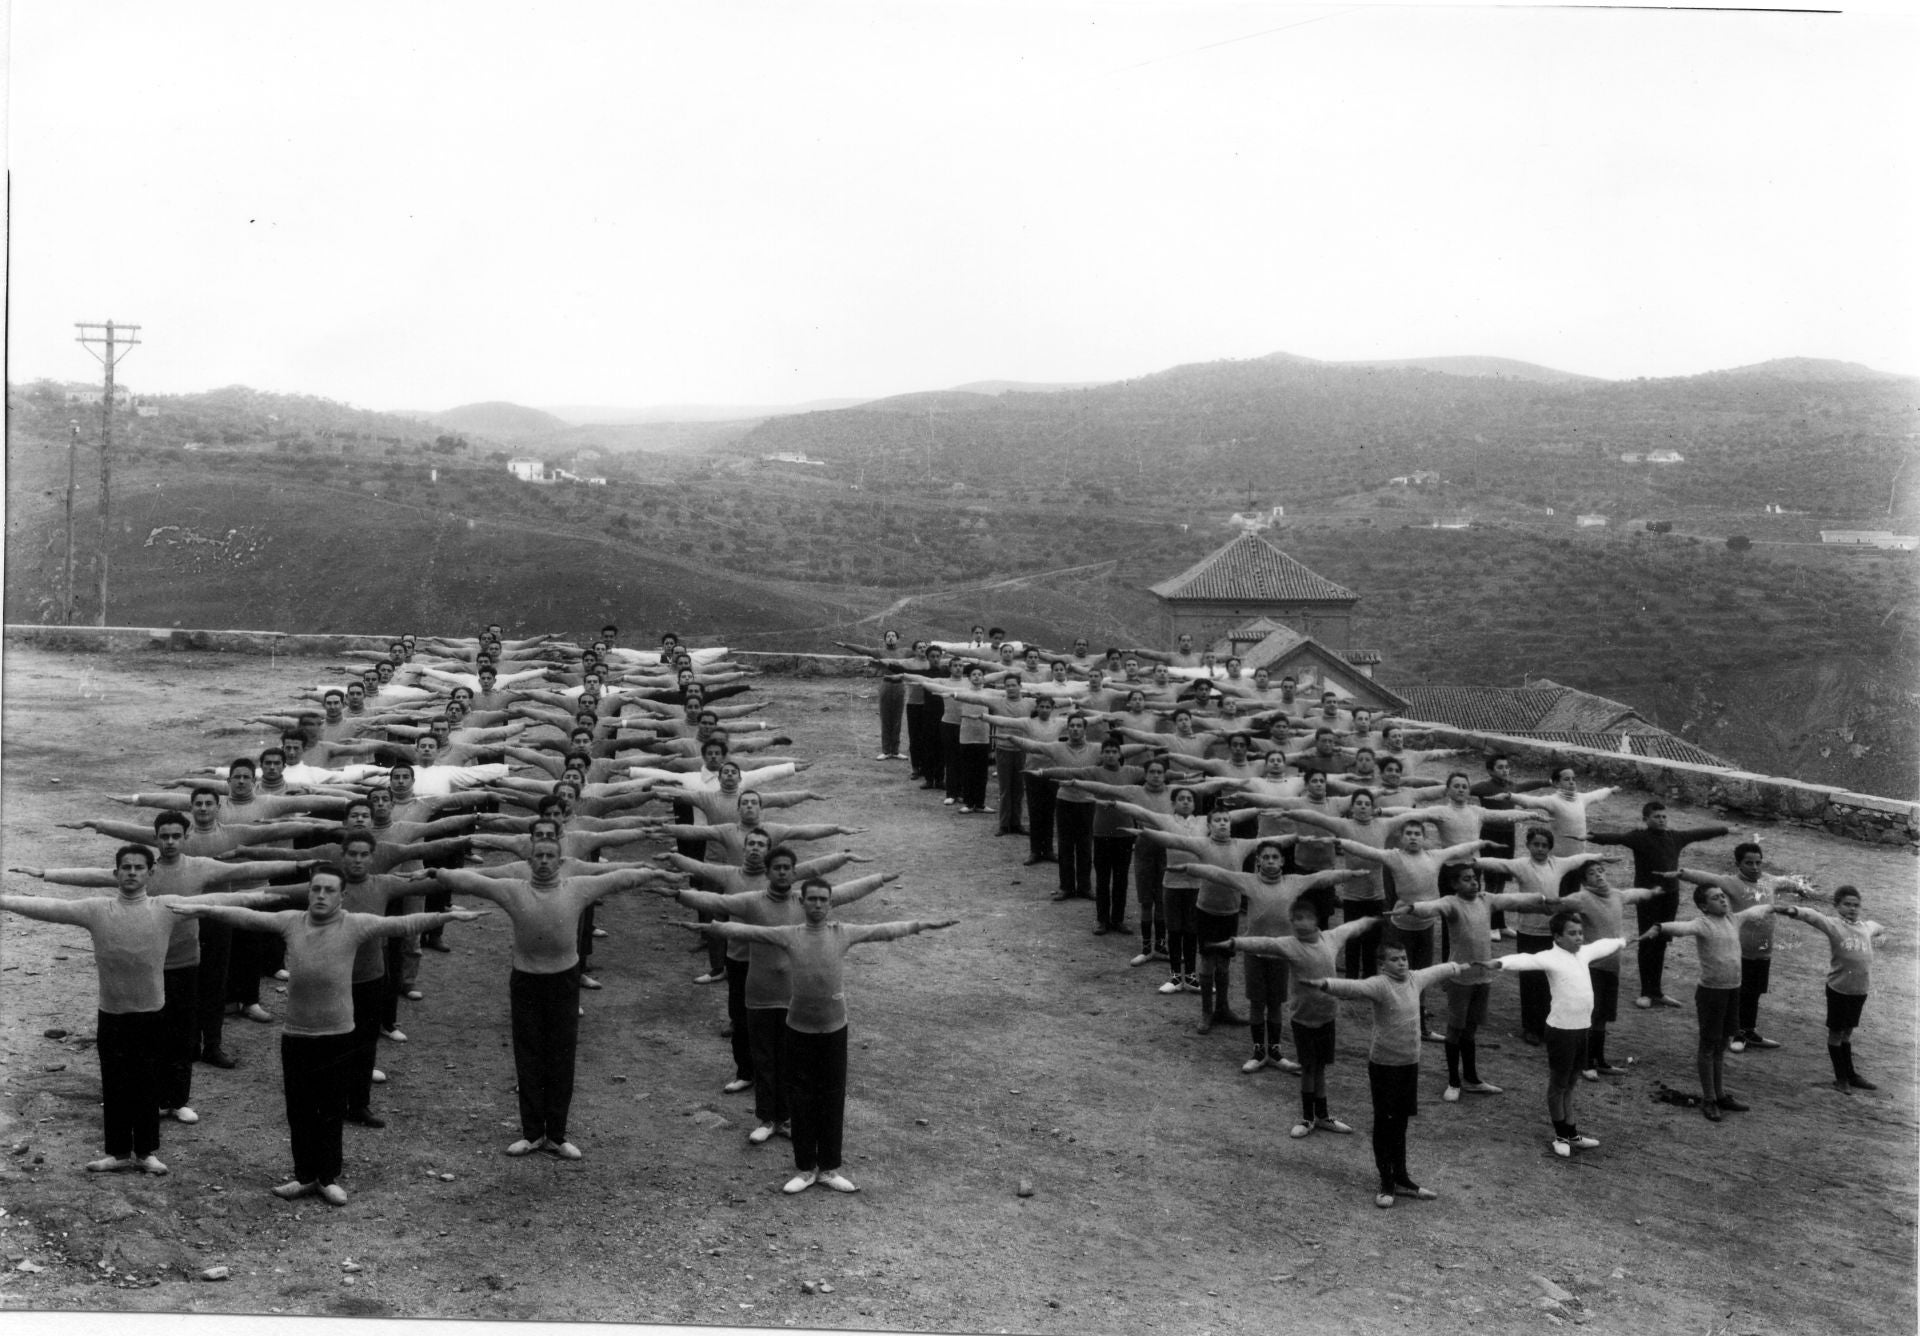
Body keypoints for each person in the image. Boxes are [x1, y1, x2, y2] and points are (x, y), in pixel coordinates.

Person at [167, 865, 483, 1204]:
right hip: (296, 1034)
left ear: (342, 896)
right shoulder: (292, 921)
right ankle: (305, 1176)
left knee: (331, 1108)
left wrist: (449, 918)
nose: (320, 895)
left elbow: (402, 923)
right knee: (299, 1109)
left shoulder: (355, 924)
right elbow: (246, 917)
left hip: (337, 1034)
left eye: (329, 890)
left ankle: (327, 1177)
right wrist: (203, 909)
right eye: (316, 889)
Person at [0, 845, 278, 1175]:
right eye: (126, 867)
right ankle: (118, 1152)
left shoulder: (166, 907)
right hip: (112, 1014)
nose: (132, 872)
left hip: (150, 1015)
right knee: (115, 1083)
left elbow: (224, 902)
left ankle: (146, 1152)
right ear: (116, 874)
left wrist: (270, 897)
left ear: (150, 873)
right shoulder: (96, 909)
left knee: (147, 1084)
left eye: (138, 867)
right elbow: (50, 906)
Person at [683, 878, 957, 1193]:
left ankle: (828, 1167)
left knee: (832, 1095)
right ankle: (804, 1168)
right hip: (798, 1029)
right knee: (800, 1096)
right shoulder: (790, 935)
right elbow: (746, 931)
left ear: (829, 903)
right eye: (811, 899)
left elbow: (883, 930)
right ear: (802, 902)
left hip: (834, 1029)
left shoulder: (842, 933)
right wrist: (709, 928)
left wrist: (923, 924)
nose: (816, 904)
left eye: (822, 899)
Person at [429, 840, 670, 1158]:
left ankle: (556, 1134)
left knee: (561, 1056)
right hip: (526, 981)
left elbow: (616, 879)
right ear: (529, 862)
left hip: (564, 982)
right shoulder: (514, 890)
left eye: (549, 857)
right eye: (537, 857)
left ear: (560, 861)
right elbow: (474, 882)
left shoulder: (577, 887)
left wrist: (651, 873)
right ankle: (531, 1133)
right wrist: (441, 873)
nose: (543, 862)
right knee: (527, 1054)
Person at [1302, 943, 1485, 1208]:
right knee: (1384, 1123)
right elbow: (1353, 987)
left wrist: (1465, 966)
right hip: (1384, 1066)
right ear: (1382, 965)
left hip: (1409, 1064)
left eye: (1404, 957)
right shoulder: (1379, 984)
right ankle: (1386, 1180)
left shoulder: (1415, 979)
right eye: (1395, 959)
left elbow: (1440, 970)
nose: (1402, 963)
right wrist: (1324, 984)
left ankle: (1402, 1177)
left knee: (1401, 1123)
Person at [1396, 863, 1557, 1103]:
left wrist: (1541, 897)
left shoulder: (1486, 899)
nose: (1473, 883)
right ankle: (1453, 1080)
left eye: (1474, 878)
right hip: (1460, 978)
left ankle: (1471, 1078)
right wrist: (1412, 907)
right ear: (1454, 884)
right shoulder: (1452, 903)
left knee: (1470, 1029)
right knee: (1455, 1029)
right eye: (1466, 879)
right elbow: (1433, 906)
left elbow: (1513, 899)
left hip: (1483, 977)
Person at [1226, 900, 1378, 1137]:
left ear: (1316, 920)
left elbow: (1351, 928)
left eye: (1304, 917)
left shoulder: (1331, 938)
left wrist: (1371, 920)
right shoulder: (1290, 945)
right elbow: (1264, 943)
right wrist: (1236, 942)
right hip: (1303, 1020)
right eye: (1295, 919)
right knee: (1308, 1069)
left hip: (1327, 1016)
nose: (1299, 922)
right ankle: (1308, 1118)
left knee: (1320, 1069)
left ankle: (1323, 1115)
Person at [1482, 910, 1626, 1157]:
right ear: (1557, 937)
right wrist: (1499, 963)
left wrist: (1624, 941)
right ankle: (1560, 1135)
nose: (1579, 938)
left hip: (1582, 1029)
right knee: (1559, 1084)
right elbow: (1524, 959)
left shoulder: (1583, 954)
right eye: (1572, 933)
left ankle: (1571, 1133)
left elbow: (1603, 945)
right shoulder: (1549, 957)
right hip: (1561, 1032)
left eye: (1580, 933)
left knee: (1571, 1083)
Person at [1639, 883, 1778, 1121]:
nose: (1723, 900)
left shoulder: (1734, 919)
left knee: (1721, 1044)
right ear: (1704, 906)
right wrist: (1659, 926)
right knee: (1708, 1046)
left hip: (1732, 991)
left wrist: (1779, 907)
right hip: (1711, 994)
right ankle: (1709, 1098)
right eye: (1716, 898)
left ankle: (1720, 1094)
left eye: (1723, 895)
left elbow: (1756, 910)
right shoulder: (1703, 924)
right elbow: (1682, 927)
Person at [1587, 802, 1730, 1009]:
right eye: (1657, 817)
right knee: (1648, 942)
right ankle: (1646, 992)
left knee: (1661, 940)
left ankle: (1657, 991)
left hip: (1670, 897)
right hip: (1648, 898)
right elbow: (1616, 838)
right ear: (1646, 820)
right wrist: (1593, 836)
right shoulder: (1639, 837)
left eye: (1664, 816)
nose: (1662, 820)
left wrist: (1724, 829)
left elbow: (1699, 833)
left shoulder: (1675, 837)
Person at [1674, 842, 1811, 1053]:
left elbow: (1787, 882)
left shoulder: (1769, 881)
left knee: (1755, 992)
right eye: (1749, 863)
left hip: (1764, 951)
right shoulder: (1731, 883)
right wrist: (1682, 873)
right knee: (1740, 993)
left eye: (1758, 862)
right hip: (1740, 951)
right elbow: (1706, 878)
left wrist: (1801, 888)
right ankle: (1735, 1033)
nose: (1755, 867)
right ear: (1738, 864)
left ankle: (1749, 1031)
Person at [1552, 862, 1661, 1079]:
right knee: (1590, 1015)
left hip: (1612, 966)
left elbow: (1634, 894)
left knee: (1603, 1016)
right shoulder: (1582, 898)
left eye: (1601, 871)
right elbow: (1557, 904)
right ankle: (1585, 1063)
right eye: (1592, 874)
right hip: (1592, 967)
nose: (1599, 876)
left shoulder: (1616, 895)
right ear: (1584, 881)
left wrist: (1653, 891)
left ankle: (1599, 1060)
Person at [1776, 886, 1886, 1092]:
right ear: (1837, 906)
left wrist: (1881, 929)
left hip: (1859, 991)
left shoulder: (1865, 927)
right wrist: (1792, 910)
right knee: (1836, 1034)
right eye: (1847, 904)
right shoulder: (1834, 925)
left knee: (1847, 1034)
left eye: (1856, 905)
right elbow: (1813, 916)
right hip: (1839, 990)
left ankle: (1851, 1075)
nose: (1852, 909)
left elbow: (1876, 926)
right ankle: (1841, 1078)